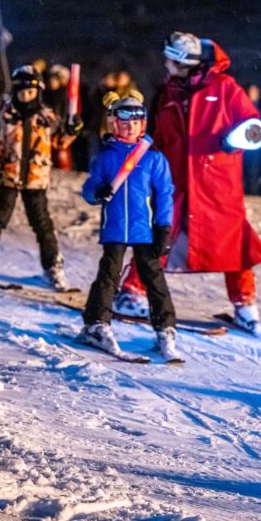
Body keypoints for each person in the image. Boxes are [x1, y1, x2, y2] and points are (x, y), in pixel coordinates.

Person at [114, 32, 261, 334]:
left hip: (217, 183)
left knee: (233, 240)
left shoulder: (225, 87)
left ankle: (246, 305)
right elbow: (161, 136)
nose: (166, 63)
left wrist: (233, 142)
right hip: (175, 180)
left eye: (171, 59)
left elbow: (253, 125)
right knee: (160, 233)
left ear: (184, 62)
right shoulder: (169, 93)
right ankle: (133, 292)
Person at [79, 91, 180, 362]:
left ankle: (165, 328)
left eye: (135, 123)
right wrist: (96, 192)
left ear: (143, 125)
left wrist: (163, 228)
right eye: (124, 123)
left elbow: (165, 195)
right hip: (115, 227)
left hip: (145, 229)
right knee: (108, 275)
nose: (130, 127)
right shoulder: (106, 157)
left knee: (153, 277)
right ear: (114, 124)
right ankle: (96, 323)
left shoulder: (152, 158)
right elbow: (89, 188)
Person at [0, 66, 80, 290]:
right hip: (8, 176)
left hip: (36, 179)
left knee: (42, 223)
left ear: (38, 92)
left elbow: (59, 143)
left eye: (30, 92)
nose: (25, 97)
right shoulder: (7, 116)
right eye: (21, 93)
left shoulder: (47, 118)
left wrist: (71, 130)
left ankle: (53, 265)